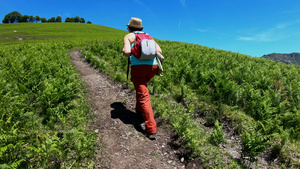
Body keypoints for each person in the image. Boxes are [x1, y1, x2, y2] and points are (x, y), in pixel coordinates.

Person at [122, 17, 162, 140]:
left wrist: (126, 50)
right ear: (140, 27)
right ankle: (139, 111)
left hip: (138, 69)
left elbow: (127, 52)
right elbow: (159, 51)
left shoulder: (128, 36)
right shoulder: (149, 36)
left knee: (144, 96)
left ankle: (151, 129)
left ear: (129, 27)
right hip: (152, 68)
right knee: (142, 89)